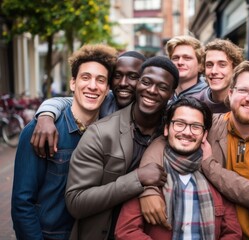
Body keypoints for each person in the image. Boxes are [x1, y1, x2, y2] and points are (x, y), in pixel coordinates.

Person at [139, 60, 249, 240]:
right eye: (243, 90)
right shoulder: (209, 125)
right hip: (213, 232)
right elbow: (164, 141)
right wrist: (149, 189)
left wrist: (210, 166)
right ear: (231, 93)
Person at [64, 56, 179, 240]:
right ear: (138, 83)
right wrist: (137, 178)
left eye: (163, 87)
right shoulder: (101, 133)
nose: (151, 90)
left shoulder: (176, 133)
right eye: (146, 82)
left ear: (173, 94)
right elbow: (76, 202)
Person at [11, 44, 117, 239]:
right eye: (86, 77)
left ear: (108, 89)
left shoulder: (108, 133)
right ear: (73, 83)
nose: (93, 86)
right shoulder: (40, 130)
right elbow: (22, 203)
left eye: (100, 80)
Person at [115, 97, 243, 240]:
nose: (187, 132)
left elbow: (233, 233)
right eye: (179, 124)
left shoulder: (215, 177)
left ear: (205, 134)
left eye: (195, 126)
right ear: (166, 129)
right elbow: (126, 231)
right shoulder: (147, 176)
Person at [30, 51, 146, 158]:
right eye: (117, 76)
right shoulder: (107, 100)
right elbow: (71, 101)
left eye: (133, 77)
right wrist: (46, 115)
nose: (123, 83)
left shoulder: (154, 111)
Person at [192, 38, 244, 113]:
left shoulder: (244, 103)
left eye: (222, 65)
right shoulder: (194, 103)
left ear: (234, 68)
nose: (214, 71)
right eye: (209, 65)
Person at [166, 35, 207, 102]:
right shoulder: (163, 95)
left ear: (200, 65)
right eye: (175, 58)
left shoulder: (210, 97)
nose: (180, 62)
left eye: (187, 58)